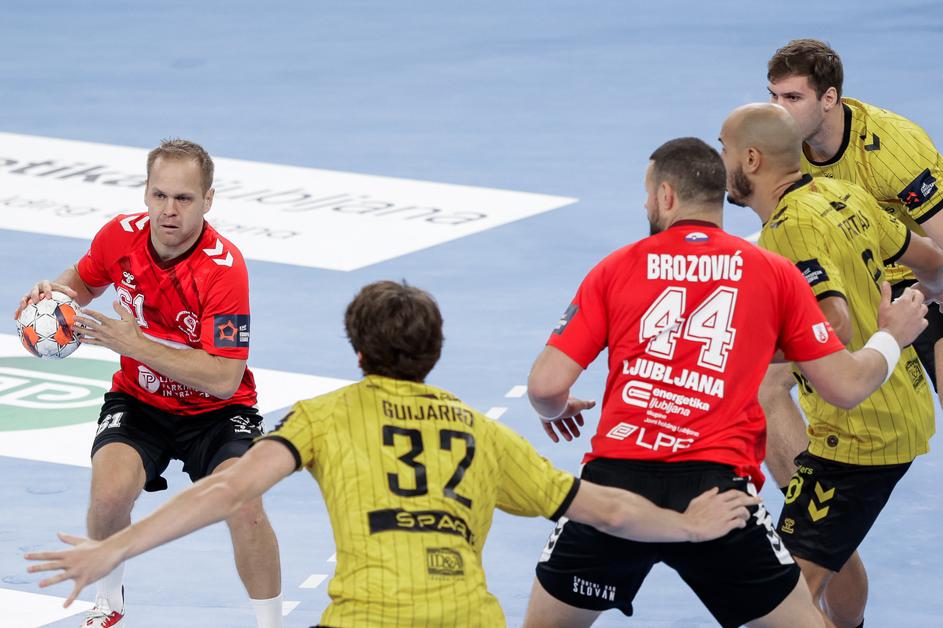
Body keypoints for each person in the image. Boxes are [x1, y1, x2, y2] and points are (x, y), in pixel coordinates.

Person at [26, 280, 762, 628]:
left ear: (356, 351)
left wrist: (113, 548)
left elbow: (226, 491)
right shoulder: (479, 431)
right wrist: (688, 525)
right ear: (435, 353)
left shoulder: (324, 417)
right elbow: (604, 509)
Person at [522, 137, 929, 628]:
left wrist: (556, 408)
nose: (646, 205)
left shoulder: (616, 267)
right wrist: (890, 336)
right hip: (720, 497)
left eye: (648, 194)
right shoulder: (773, 272)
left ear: (666, 196)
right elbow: (846, 386)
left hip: (615, 487)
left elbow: (545, 387)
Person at [13, 139, 283, 628]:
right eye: (159, 195)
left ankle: (270, 624)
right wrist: (53, 298)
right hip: (139, 400)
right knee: (108, 494)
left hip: (216, 413)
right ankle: (108, 601)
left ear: (208, 200)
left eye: (183, 198)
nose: (168, 210)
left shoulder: (224, 269)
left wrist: (135, 345)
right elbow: (83, 280)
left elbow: (225, 378)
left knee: (246, 506)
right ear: (145, 192)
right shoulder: (120, 236)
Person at [719, 103, 943, 627]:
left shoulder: (788, 231)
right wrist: (908, 314)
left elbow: (833, 325)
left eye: (723, 149)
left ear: (751, 160)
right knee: (824, 563)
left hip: (859, 434)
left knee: (785, 605)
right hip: (898, 403)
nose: (719, 160)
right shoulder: (843, 194)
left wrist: (738, 348)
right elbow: (934, 263)